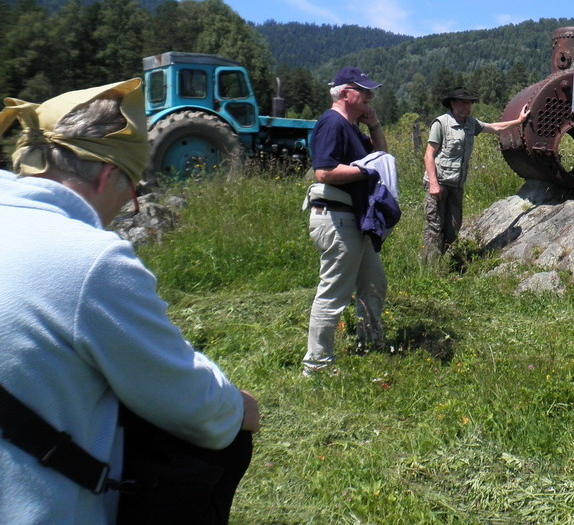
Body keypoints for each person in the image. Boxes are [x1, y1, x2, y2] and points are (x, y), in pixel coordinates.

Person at [0, 79, 260, 524]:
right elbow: (192, 405)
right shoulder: (90, 259)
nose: (128, 207)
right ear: (107, 175)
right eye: (130, 194)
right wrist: (238, 407)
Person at [303, 67, 390, 375]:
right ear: (344, 93)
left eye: (370, 92)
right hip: (336, 219)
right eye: (363, 91)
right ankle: (317, 364)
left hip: (353, 220)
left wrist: (374, 124)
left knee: (374, 283)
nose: (370, 96)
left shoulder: (351, 127)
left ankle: (371, 343)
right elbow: (324, 172)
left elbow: (382, 155)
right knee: (334, 292)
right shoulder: (332, 123)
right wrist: (366, 172)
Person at [422, 87, 529, 266]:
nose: (467, 107)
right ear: (452, 104)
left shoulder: (471, 124)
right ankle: (429, 268)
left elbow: (494, 127)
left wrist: (519, 121)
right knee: (434, 226)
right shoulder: (441, 123)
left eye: (469, 103)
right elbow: (428, 155)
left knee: (453, 228)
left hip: (456, 184)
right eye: (463, 103)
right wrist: (433, 183)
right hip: (439, 182)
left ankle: (442, 261)